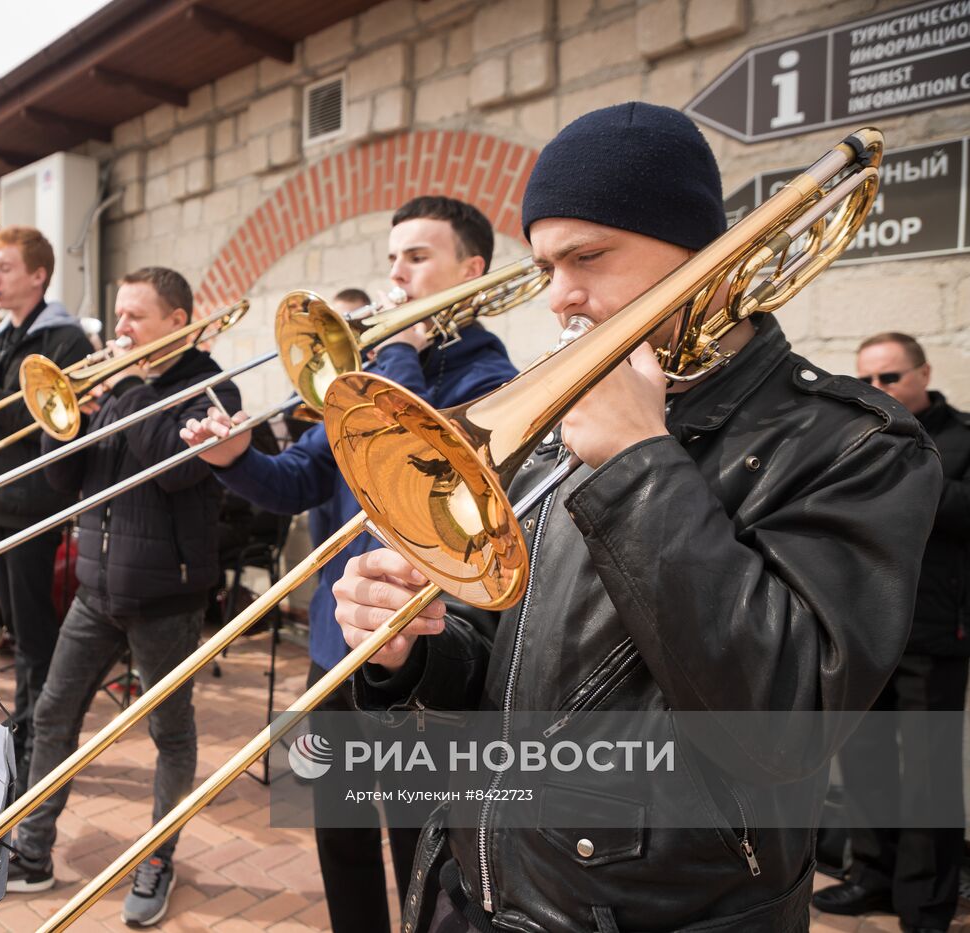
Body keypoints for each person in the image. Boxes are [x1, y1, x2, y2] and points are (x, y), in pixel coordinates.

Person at [329, 103, 942, 932]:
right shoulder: (551, 421)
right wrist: (413, 650)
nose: (560, 298)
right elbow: (495, 664)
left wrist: (636, 463)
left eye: (587, 256)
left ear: (714, 255)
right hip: (472, 893)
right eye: (546, 265)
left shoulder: (854, 443)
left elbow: (786, 726)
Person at [181, 200, 519, 933]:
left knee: (416, 840)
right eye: (394, 256)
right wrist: (235, 459)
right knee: (335, 827)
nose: (397, 272)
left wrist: (392, 352)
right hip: (334, 647)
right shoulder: (368, 373)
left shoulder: (492, 375)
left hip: (419, 655)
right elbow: (300, 477)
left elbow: (426, 464)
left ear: (471, 272)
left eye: (418, 257)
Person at [6, 266, 240, 927]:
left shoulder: (209, 387)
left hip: (167, 596)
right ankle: (34, 848)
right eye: (118, 317)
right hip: (96, 587)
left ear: (177, 319)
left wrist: (131, 389)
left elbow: (175, 468)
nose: (121, 331)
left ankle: (158, 856)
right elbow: (65, 480)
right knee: (52, 716)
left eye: (136, 318)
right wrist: (66, 422)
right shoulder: (114, 390)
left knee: (170, 733)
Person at [811, 332, 969, 933]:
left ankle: (925, 903)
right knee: (866, 761)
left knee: (931, 773)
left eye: (890, 378)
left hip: (934, 635)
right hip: (866, 629)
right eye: (867, 381)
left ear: (923, 372)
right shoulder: (855, 437)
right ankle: (871, 877)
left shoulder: (960, 438)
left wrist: (905, 474)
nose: (878, 391)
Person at [0, 226, 93, 774]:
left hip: (33, 499)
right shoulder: (5, 333)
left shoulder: (64, 338)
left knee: (34, 630)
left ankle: (39, 733)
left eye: (4, 268)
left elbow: (58, 427)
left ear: (38, 275)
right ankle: (27, 722)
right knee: (12, 622)